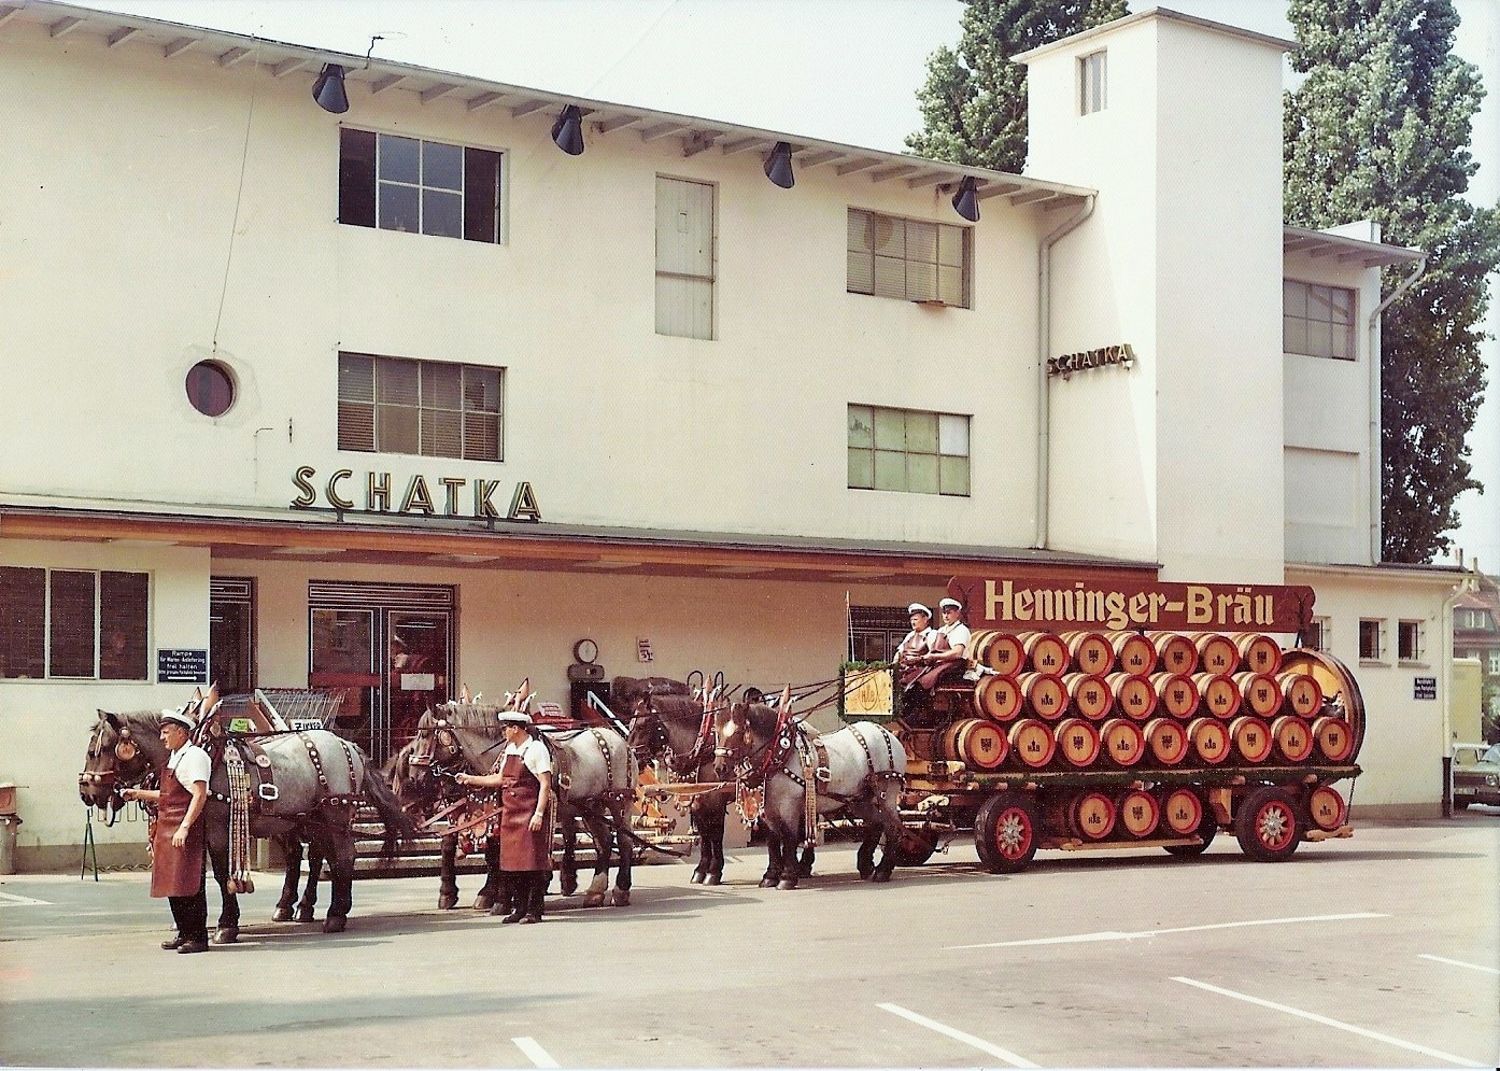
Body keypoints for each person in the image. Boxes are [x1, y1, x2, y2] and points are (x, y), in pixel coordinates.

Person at [121, 707, 211, 953]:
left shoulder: (195, 757)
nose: (162, 738)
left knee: (189, 883)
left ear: (181, 733)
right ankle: (184, 932)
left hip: (184, 827)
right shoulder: (175, 757)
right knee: (173, 882)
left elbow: (199, 795)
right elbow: (168, 795)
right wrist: (137, 794)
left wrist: (184, 828)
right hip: (167, 826)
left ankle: (198, 937)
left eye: (166, 732)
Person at [455, 709, 553, 924]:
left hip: (528, 813)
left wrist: (538, 814)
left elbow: (545, 784)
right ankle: (519, 908)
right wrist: (470, 779)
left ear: (516, 728)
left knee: (532, 864)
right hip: (511, 815)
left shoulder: (536, 749)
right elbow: (500, 779)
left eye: (505, 728)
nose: (504, 732)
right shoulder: (510, 749)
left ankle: (534, 910)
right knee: (513, 865)